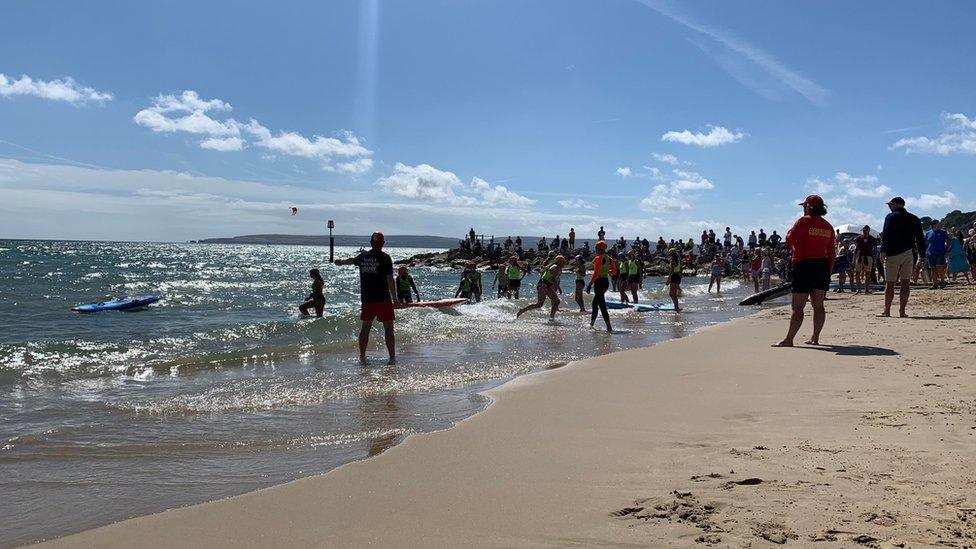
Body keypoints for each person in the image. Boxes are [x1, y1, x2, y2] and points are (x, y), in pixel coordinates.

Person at [773, 195, 834, 347]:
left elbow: (790, 239)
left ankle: (789, 339)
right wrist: (828, 270)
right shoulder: (828, 226)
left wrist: (791, 230)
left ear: (808, 207)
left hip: (803, 265)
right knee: (818, 305)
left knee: (798, 306)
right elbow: (831, 252)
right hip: (822, 266)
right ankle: (815, 337)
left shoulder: (803, 221)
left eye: (804, 206)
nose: (803, 209)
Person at [334, 232, 397, 365]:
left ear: (370, 243)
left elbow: (352, 260)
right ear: (383, 243)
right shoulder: (385, 257)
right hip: (383, 299)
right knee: (388, 329)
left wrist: (341, 262)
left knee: (365, 328)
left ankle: (362, 356)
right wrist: (395, 297)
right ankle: (392, 358)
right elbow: (389, 278)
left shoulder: (363, 256)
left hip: (367, 299)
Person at [880, 197, 926, 317]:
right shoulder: (914, 218)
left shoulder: (890, 217)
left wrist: (883, 250)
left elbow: (886, 234)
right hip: (908, 252)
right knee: (905, 283)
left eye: (890, 204)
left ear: (896, 204)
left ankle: (887, 311)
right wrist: (922, 255)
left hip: (892, 253)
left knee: (890, 283)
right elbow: (920, 238)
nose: (889, 206)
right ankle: (902, 311)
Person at [517, 255, 565, 321]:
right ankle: (522, 310)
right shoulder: (556, 268)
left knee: (556, 301)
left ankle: (551, 318)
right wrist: (558, 288)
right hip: (543, 284)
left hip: (547, 285)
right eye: (563, 262)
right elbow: (553, 279)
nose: (564, 263)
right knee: (539, 304)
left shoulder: (557, 267)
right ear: (559, 262)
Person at [586, 241, 615, 332]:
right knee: (595, 303)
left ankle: (608, 327)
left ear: (599, 249)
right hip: (606, 282)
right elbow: (614, 272)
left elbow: (596, 273)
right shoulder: (609, 258)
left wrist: (590, 284)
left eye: (596, 248)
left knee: (601, 305)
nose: (595, 250)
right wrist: (607, 271)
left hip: (599, 282)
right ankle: (592, 324)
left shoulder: (598, 258)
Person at [925, 220, 951, 289]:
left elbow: (948, 240)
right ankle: (935, 284)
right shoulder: (928, 233)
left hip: (940, 252)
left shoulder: (943, 232)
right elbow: (926, 243)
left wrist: (947, 249)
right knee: (933, 269)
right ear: (934, 225)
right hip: (930, 253)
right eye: (938, 224)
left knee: (939, 267)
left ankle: (942, 281)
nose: (939, 225)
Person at [853, 225, 878, 295]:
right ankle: (859, 289)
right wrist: (854, 258)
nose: (864, 231)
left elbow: (875, 250)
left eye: (865, 230)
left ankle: (867, 289)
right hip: (860, 256)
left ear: (868, 230)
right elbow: (856, 248)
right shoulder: (859, 238)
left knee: (868, 273)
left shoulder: (872, 239)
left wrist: (875, 260)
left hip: (868, 256)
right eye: (863, 230)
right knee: (857, 273)